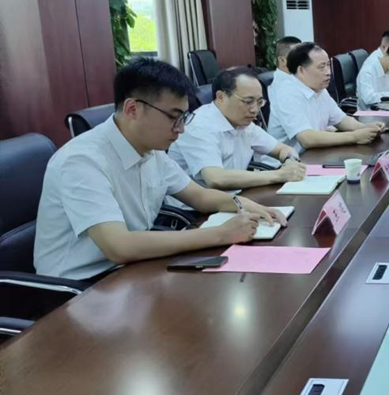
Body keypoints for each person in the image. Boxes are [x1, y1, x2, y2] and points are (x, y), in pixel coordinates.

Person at [34, 59, 286, 281]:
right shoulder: (81, 160)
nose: (181, 129)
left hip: (133, 268)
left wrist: (244, 205)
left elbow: (199, 196)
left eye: (183, 117)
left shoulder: (150, 149)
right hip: (81, 287)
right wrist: (221, 234)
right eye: (173, 117)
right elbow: (119, 246)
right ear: (133, 109)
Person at [169, 67, 306, 191]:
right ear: (221, 97)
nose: (255, 110)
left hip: (235, 197)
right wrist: (279, 175)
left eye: (259, 102)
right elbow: (216, 179)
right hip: (197, 208)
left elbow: (282, 149)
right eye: (248, 101)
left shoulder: (244, 124)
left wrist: (290, 161)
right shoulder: (199, 126)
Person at [268, 42, 384, 152]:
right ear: (301, 70)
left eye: (328, 65)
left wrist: (365, 128)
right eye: (321, 67)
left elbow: (341, 120)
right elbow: (307, 138)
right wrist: (355, 137)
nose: (328, 72)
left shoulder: (319, 88)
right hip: (286, 163)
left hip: (314, 154)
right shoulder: (287, 93)